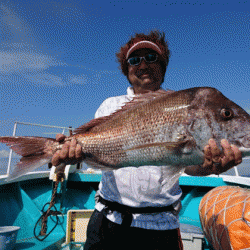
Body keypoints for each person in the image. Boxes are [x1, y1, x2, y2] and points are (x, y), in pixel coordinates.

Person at [52, 31, 242, 250]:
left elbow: (189, 166)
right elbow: (95, 148)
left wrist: (209, 167)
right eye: (134, 60)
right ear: (127, 70)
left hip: (160, 227)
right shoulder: (110, 105)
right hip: (108, 220)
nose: (142, 65)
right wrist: (69, 151)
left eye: (151, 58)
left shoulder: (183, 107)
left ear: (162, 65)